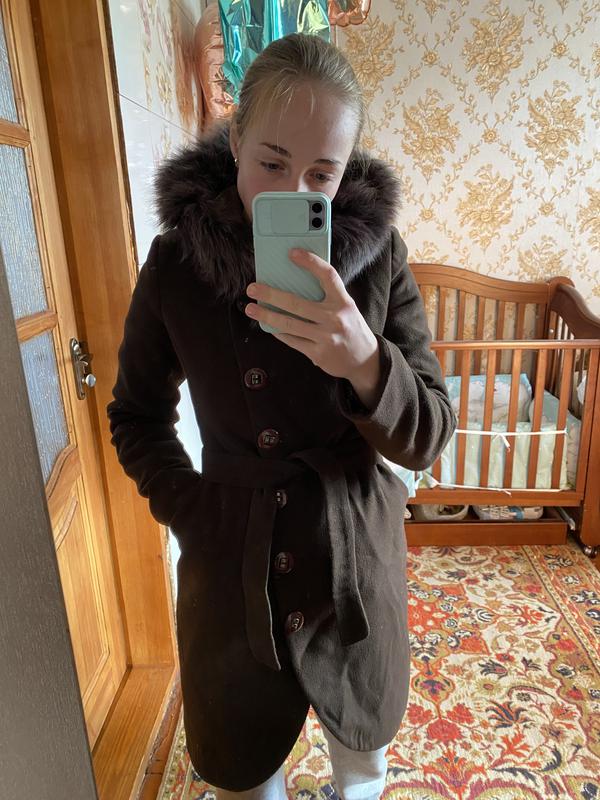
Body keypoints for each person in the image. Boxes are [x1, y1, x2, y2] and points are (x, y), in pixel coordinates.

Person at [106, 32, 456, 800]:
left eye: (321, 174)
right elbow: (135, 413)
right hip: (231, 558)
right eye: (271, 162)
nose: (292, 191)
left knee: (362, 767)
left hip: (354, 554)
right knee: (245, 773)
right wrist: (193, 510)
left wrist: (365, 362)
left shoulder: (380, 258)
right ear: (235, 139)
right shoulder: (177, 266)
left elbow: (430, 432)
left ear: (347, 168)